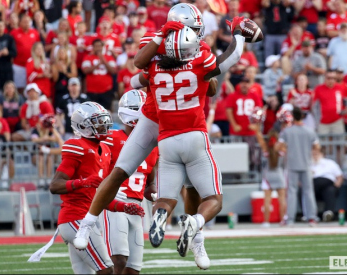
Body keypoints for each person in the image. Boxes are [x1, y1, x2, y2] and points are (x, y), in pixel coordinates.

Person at [73, 15, 246, 264]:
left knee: (187, 188)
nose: (197, 33)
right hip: (161, 121)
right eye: (193, 29)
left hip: (168, 127)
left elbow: (138, 76)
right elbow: (210, 80)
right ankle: (87, 225)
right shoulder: (191, 53)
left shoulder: (165, 54)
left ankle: (197, 243)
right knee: (124, 171)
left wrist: (154, 74)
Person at [49, 101, 145, 274]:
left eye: (104, 121)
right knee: (106, 270)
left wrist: (124, 207)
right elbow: (55, 186)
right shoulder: (77, 146)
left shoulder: (106, 150)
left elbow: (99, 198)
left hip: (87, 219)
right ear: (83, 125)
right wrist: (83, 182)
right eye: (98, 122)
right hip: (74, 219)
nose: (104, 125)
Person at [99, 90, 158, 274]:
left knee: (133, 269)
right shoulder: (111, 139)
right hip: (114, 202)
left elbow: (149, 182)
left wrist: (155, 193)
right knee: (118, 259)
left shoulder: (153, 146)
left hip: (137, 207)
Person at [276, 106, 319, 225]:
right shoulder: (309, 131)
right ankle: (312, 217)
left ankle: (290, 219)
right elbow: (317, 147)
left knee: (291, 192)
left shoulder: (287, 131)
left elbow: (278, 146)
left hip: (292, 164)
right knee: (308, 192)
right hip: (306, 164)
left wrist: (287, 149)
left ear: (293, 117)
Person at [313, 69, 347, 165]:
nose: (331, 80)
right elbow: (314, 106)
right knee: (322, 146)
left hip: (337, 120)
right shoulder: (319, 89)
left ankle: (340, 166)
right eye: (329, 78)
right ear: (325, 78)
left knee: (340, 145)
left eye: (334, 78)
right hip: (323, 122)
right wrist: (316, 120)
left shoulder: (341, 88)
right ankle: (322, 166)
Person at [261, 109, 290, 227]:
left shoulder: (267, 150)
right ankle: (282, 220)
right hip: (279, 174)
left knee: (267, 200)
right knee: (282, 199)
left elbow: (259, 137)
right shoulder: (281, 149)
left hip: (268, 175)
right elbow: (286, 145)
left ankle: (266, 222)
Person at [82, 38, 117, 111]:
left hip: (106, 91)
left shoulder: (109, 57)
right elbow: (85, 70)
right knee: (91, 112)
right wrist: (97, 64)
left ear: (102, 47)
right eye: (96, 46)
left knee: (106, 111)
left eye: (99, 46)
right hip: (92, 91)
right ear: (93, 47)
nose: (98, 48)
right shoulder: (88, 57)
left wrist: (104, 61)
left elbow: (113, 71)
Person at [10, 14, 41, 94]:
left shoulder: (35, 32)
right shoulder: (14, 33)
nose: (27, 23)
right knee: (19, 86)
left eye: (28, 21)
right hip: (19, 64)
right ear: (20, 23)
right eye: (24, 22)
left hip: (32, 65)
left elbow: (38, 46)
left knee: (31, 86)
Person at [311, 147, 343, 222]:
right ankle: (310, 215)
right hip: (312, 186)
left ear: (322, 154)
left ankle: (328, 213)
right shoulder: (308, 164)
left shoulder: (330, 163)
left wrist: (337, 184)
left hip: (328, 184)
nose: (314, 155)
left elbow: (339, 176)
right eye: (313, 154)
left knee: (330, 190)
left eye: (316, 153)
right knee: (304, 191)